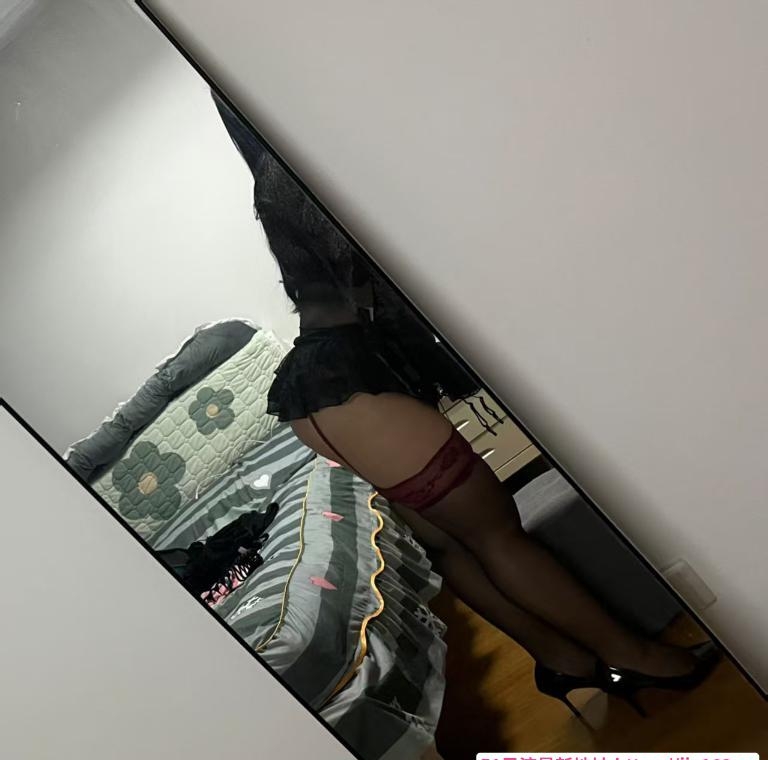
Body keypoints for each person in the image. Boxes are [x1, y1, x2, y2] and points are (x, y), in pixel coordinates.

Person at [213, 93, 720, 717]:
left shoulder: (276, 181)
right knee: (496, 533)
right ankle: (633, 657)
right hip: (346, 380)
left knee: (456, 547)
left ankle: (562, 660)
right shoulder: (302, 169)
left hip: (323, 388)